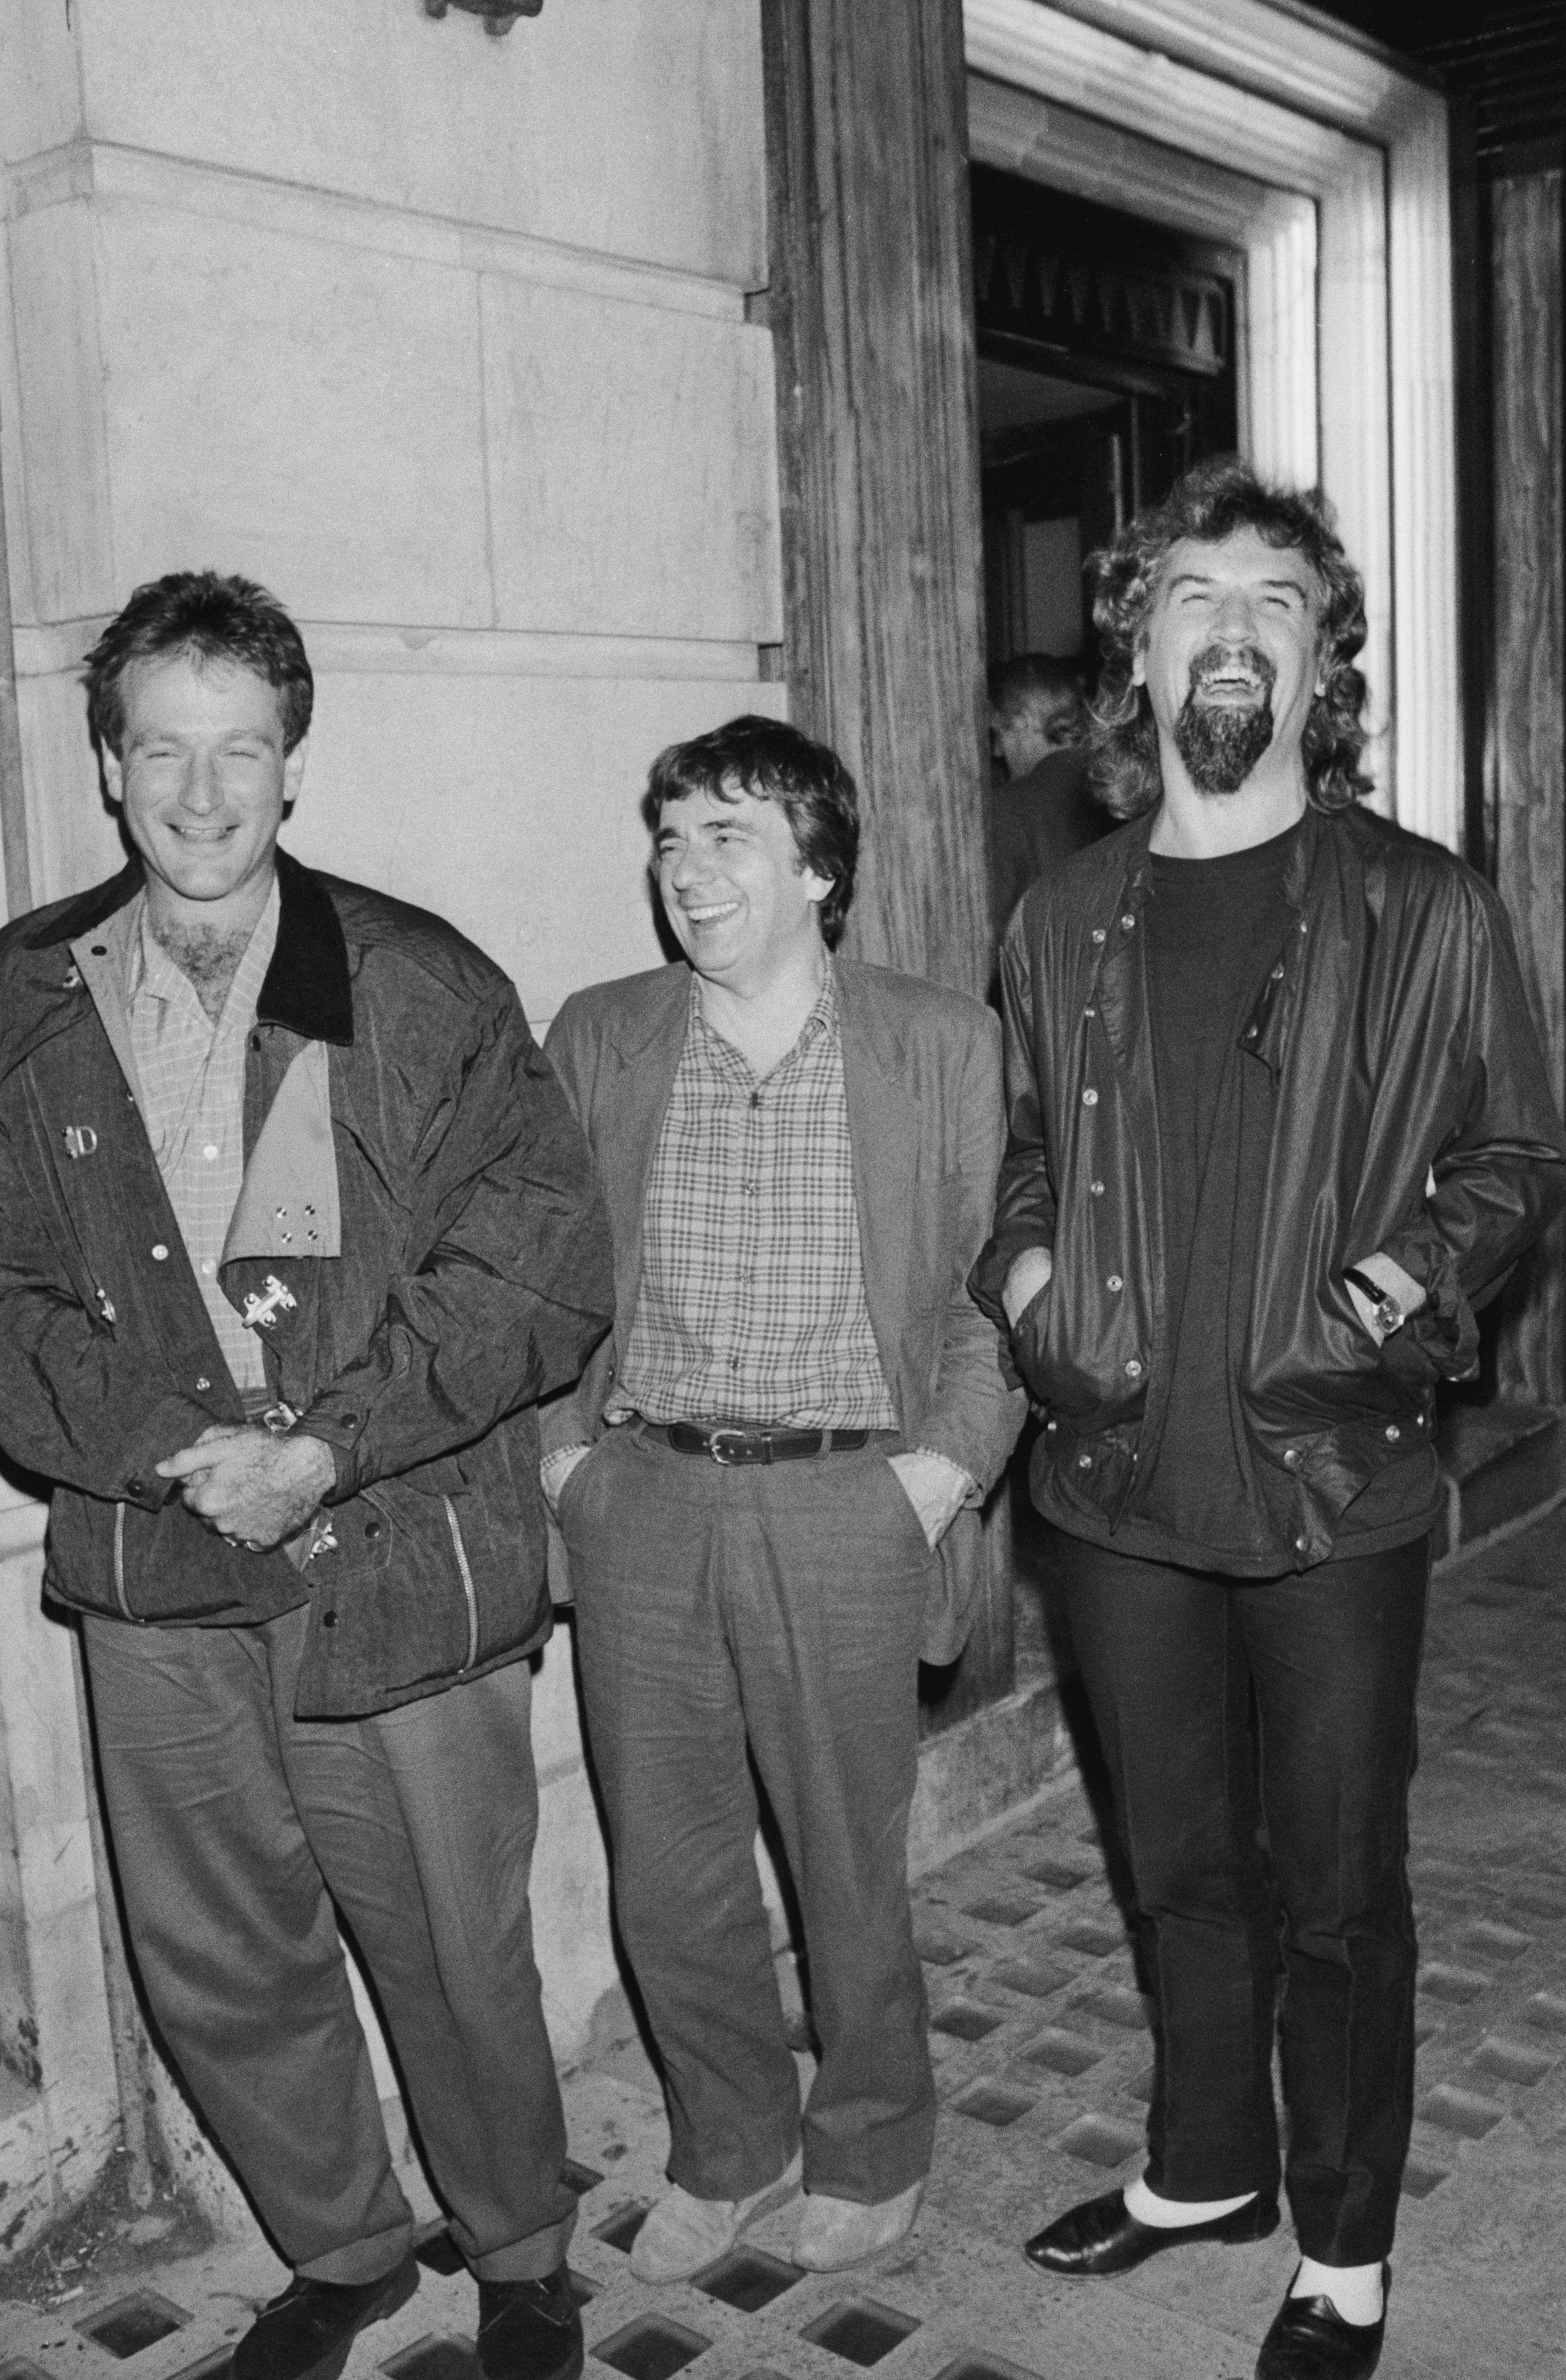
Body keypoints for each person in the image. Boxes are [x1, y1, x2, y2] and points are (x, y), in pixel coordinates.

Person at [970, 461, 1566, 2380]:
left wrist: (1410, 1280)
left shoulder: (1423, 904)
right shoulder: (1059, 913)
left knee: (1337, 1888)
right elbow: (1027, 1157)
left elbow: (1514, 1149)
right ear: (1135, 653)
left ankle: (1347, 2244)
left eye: (1276, 604)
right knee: (1174, 1862)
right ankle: (1205, 2163)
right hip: (1117, 1469)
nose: (1231, 627)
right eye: (1195, 597)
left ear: (1320, 667)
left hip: (1331, 1473)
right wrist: (1030, 1282)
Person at [0, 574, 615, 2380]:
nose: (203, 794)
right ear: (109, 768)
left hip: (397, 1553)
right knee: (222, 1954)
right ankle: (346, 2248)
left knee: (449, 1943)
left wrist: (325, 1443)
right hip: (155, 1564)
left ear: (294, 769)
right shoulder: (24, 998)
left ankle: (517, 2253)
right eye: (164, 750)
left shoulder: (421, 983)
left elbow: (540, 1264)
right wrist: (167, 1451)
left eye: (241, 751)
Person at [541, 716, 1023, 2284]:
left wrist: (936, 1476)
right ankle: (728, 2143)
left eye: (726, 835)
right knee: (666, 1863)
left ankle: (871, 2145)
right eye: (670, 837)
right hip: (648, 1496)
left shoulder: (938, 1040)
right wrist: (566, 1463)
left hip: (845, 1499)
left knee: (844, 1861)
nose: (687, 871)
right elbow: (544, 1278)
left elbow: (992, 1287)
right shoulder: (605, 1033)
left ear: (817, 864)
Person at [987, 652, 1107, 935]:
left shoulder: (1010, 808)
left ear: (1025, 721)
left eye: (998, 734)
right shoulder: (1122, 785)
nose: (996, 751)